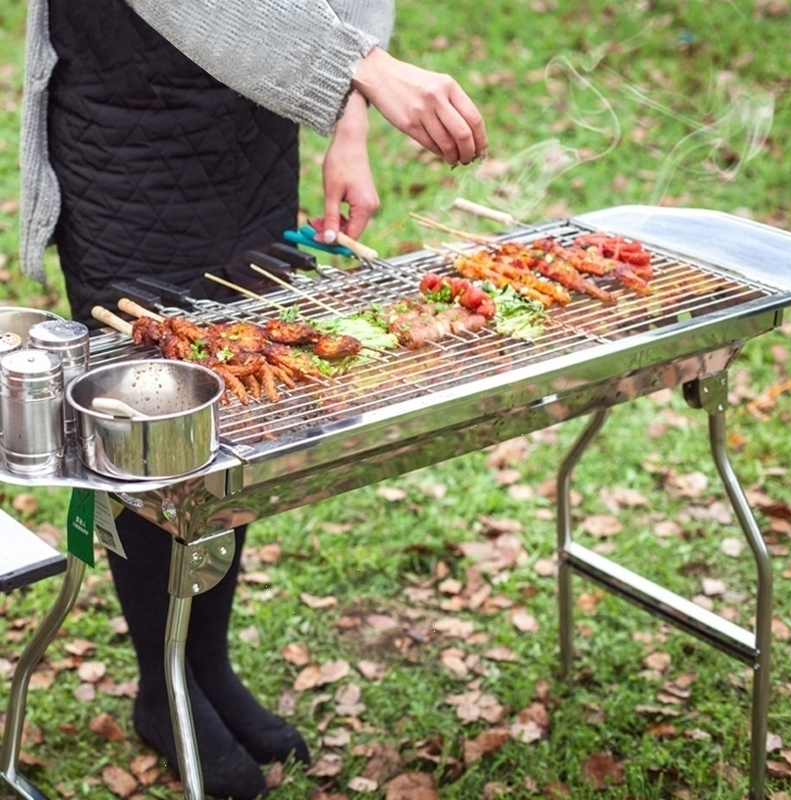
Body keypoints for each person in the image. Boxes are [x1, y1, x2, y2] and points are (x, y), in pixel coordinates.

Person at [18, 1, 486, 798]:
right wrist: (361, 66)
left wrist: (350, 115)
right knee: (153, 420)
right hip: (126, 121)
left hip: (258, 111)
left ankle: (205, 668)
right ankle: (163, 687)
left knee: (235, 410)